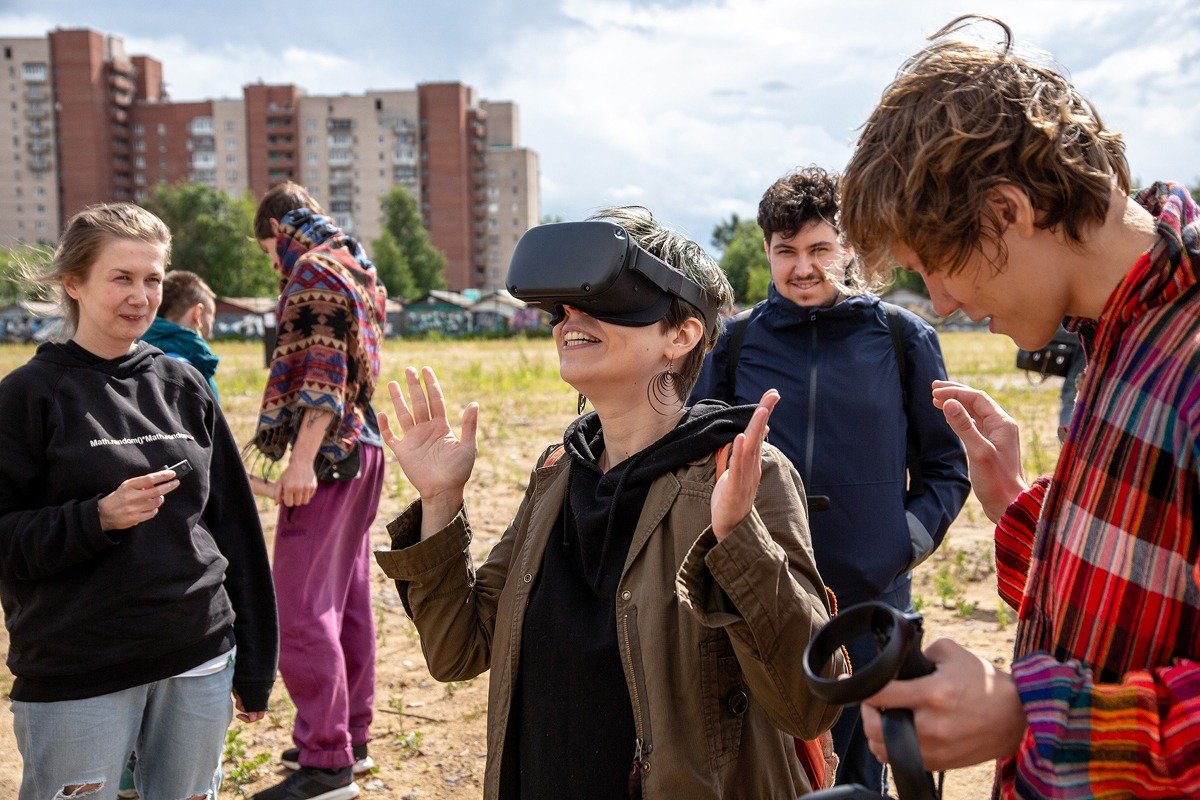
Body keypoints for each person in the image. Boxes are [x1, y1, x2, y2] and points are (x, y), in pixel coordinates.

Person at [839, 14, 1200, 798]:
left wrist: (1023, 719)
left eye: (937, 267)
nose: (942, 303)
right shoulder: (1115, 330)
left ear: (1008, 211)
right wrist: (1018, 507)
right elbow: (1141, 609)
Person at [374, 207, 847, 800]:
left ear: (680, 335)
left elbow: (810, 704)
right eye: (563, 305)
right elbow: (457, 650)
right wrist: (440, 502)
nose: (572, 317)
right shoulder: (558, 474)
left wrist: (737, 539)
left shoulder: (736, 476)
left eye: (606, 297)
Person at [690, 166, 970, 792]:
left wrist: (900, 543)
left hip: (871, 607)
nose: (802, 268)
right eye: (786, 252)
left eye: (819, 249)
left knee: (862, 777)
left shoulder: (901, 338)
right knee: (771, 772)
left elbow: (948, 466)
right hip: (764, 600)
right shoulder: (733, 346)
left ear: (848, 248)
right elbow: (696, 467)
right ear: (767, 251)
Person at [0, 203, 278, 800]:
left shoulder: (183, 384)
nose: (142, 295)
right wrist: (94, 519)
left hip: (196, 656)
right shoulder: (28, 396)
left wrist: (255, 662)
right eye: (121, 278)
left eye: (153, 278)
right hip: (79, 669)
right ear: (73, 283)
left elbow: (233, 527)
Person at [249, 182, 387, 800]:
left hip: (330, 456)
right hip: (365, 449)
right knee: (346, 602)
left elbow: (326, 371)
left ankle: (326, 763)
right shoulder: (356, 264)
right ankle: (348, 743)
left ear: (279, 231)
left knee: (301, 610)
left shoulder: (312, 268)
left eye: (265, 252)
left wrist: (300, 460)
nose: (272, 266)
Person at [141, 269, 220, 399]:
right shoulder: (185, 372)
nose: (212, 323)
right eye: (212, 316)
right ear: (198, 314)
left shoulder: (137, 352)